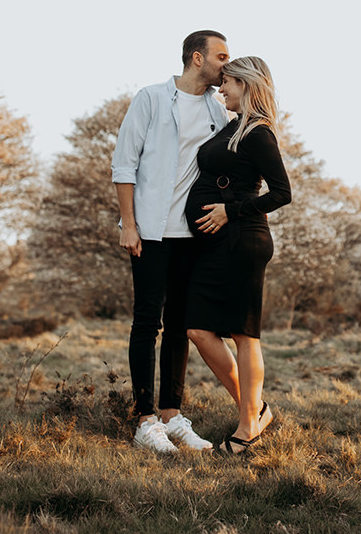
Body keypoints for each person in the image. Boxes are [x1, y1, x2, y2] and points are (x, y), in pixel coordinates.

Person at [111, 30, 231, 454]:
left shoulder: (221, 112)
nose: (226, 64)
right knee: (148, 321)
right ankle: (145, 421)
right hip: (151, 232)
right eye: (221, 56)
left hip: (194, 236)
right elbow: (124, 164)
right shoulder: (151, 99)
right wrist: (129, 223)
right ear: (197, 58)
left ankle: (171, 416)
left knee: (181, 326)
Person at [185, 56, 291, 454]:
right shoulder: (233, 127)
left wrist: (231, 210)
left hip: (244, 240)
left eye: (226, 82)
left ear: (246, 84)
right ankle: (257, 408)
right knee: (197, 328)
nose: (220, 89)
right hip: (217, 244)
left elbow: (282, 194)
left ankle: (248, 427)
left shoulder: (259, 133)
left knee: (245, 334)